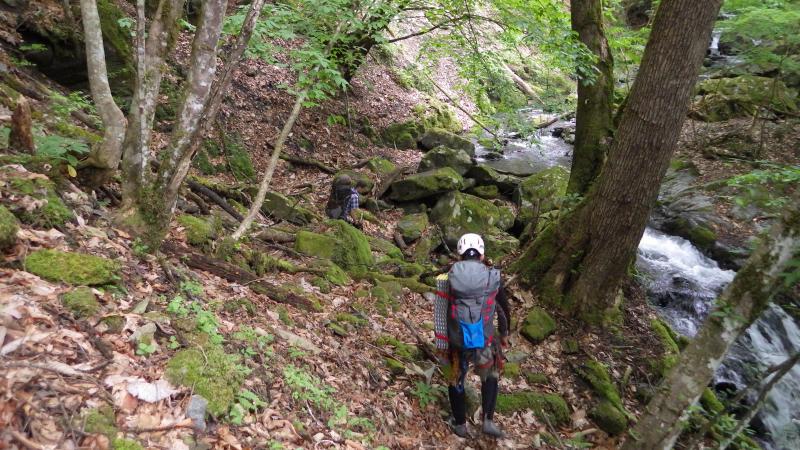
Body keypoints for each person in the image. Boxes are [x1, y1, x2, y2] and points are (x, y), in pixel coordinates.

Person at [433, 233, 512, 438]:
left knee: (456, 378)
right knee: (491, 376)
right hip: (484, 341)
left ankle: (460, 424)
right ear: (482, 254)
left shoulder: (446, 277)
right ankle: (488, 421)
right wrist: (504, 333)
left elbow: (440, 312)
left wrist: (441, 343)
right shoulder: (493, 277)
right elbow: (503, 309)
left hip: (456, 341)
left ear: (459, 255)